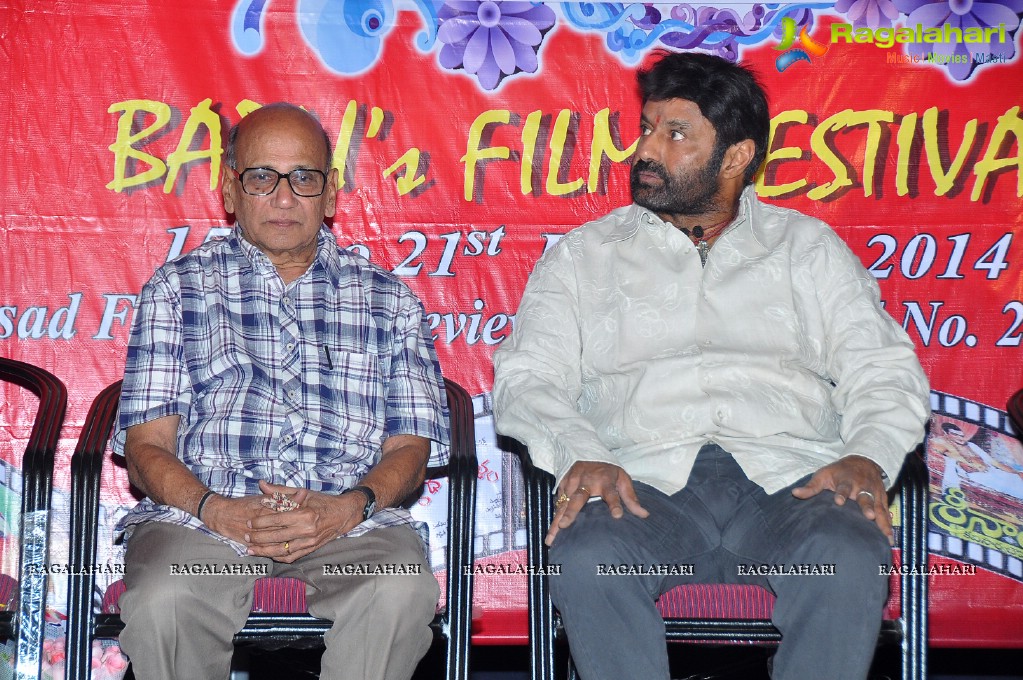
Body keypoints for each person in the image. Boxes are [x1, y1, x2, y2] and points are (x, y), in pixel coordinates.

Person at [493, 52, 930, 680]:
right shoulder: (586, 256)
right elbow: (527, 378)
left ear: (734, 156)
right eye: (646, 128)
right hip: (643, 487)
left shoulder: (805, 248)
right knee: (586, 555)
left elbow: (884, 370)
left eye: (675, 133)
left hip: (790, 482)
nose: (645, 150)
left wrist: (869, 452)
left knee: (846, 551)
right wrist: (579, 452)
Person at [112, 103, 449, 680]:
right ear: (229, 189)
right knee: (166, 597)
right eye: (262, 177)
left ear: (332, 193)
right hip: (206, 518)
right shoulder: (177, 290)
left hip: (347, 523)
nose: (285, 197)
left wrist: (349, 507)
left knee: (399, 589)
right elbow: (146, 449)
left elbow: (410, 451)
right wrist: (217, 511)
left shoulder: (389, 301)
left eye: (304, 177)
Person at [932, 422, 1023, 496]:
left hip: (993, 472)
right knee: (1013, 487)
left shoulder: (972, 446)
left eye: (961, 435)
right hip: (978, 477)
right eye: (955, 434)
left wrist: (1016, 472)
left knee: (1016, 477)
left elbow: (995, 463)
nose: (960, 438)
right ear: (946, 434)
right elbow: (933, 448)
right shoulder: (945, 446)